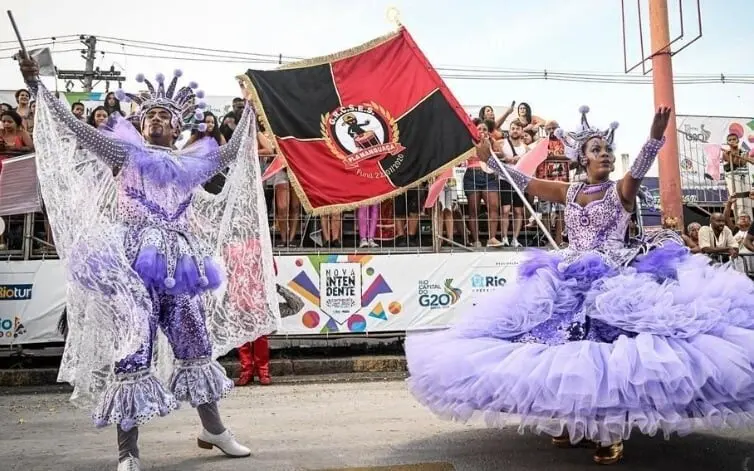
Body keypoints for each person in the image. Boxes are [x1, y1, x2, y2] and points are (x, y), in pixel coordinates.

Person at [405, 105, 754, 466]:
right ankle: (573, 422)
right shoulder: (569, 192)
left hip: (616, 280)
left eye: (606, 150)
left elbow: (637, 171)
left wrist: (653, 139)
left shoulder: (620, 190)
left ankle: (609, 430)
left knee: (612, 354)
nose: (604, 155)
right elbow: (525, 183)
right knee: (562, 347)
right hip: (569, 277)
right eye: (596, 150)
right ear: (582, 160)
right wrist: (490, 161)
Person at [19, 58, 279, 471]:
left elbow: (231, 152)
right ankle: (128, 454)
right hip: (131, 268)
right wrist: (36, 87)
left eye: (165, 116)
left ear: (177, 129)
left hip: (180, 268)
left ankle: (214, 430)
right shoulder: (122, 152)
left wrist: (250, 107)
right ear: (141, 124)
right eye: (151, 115)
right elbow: (74, 128)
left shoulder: (193, 164)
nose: (157, 120)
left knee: (195, 348)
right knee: (132, 354)